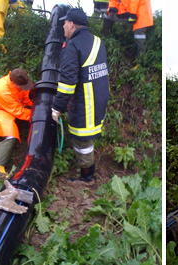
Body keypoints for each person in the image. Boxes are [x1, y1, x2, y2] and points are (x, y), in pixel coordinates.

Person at [51, 8, 109, 182]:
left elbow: (67, 83)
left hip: (86, 102)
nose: (63, 26)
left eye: (64, 23)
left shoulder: (72, 46)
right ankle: (88, 171)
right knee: (87, 137)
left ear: (71, 24)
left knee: (82, 141)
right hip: (99, 97)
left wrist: (57, 107)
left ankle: (87, 176)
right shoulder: (98, 41)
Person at [0, 68, 34, 176]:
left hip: (7, 105)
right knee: (11, 134)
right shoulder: (3, 91)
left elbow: (25, 97)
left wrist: (36, 105)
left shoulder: (17, 83)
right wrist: (36, 115)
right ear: (13, 82)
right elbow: (18, 111)